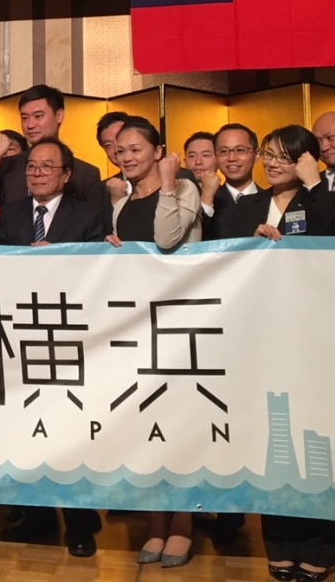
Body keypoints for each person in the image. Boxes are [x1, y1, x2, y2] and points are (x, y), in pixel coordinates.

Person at [219, 125, 335, 581]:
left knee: (316, 443)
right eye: (267, 155)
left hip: (314, 339)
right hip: (260, 339)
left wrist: (316, 185)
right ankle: (279, 543)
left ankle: (319, 544)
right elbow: (224, 257)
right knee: (273, 442)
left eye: (284, 157)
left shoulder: (322, 199)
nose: (272, 164)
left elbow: (332, 242)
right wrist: (250, 243)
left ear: (307, 160)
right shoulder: (248, 206)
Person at [0, 137, 104, 557]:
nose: (38, 173)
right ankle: (37, 516)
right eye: (31, 166)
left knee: (70, 432)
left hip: (69, 336)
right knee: (28, 429)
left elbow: (102, 270)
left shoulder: (87, 214)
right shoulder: (9, 213)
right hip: (19, 337)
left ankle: (80, 523)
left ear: (67, 174)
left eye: (48, 166)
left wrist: (60, 258)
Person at [105, 116, 202, 566]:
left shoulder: (184, 190)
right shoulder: (122, 203)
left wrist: (166, 184)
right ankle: (156, 522)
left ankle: (183, 523)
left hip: (179, 322)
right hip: (137, 325)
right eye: (120, 150)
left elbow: (166, 239)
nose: (125, 157)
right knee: (147, 425)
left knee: (179, 424)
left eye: (135, 149)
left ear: (158, 152)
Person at [0, 85, 103, 215]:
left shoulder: (86, 174)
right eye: (24, 118)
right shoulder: (7, 166)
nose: (30, 125)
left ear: (59, 115)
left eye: (38, 116)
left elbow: (93, 220)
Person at [201, 123, 259, 240]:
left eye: (240, 150)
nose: (232, 158)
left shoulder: (272, 199)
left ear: (257, 154)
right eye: (223, 151)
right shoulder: (206, 200)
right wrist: (207, 197)